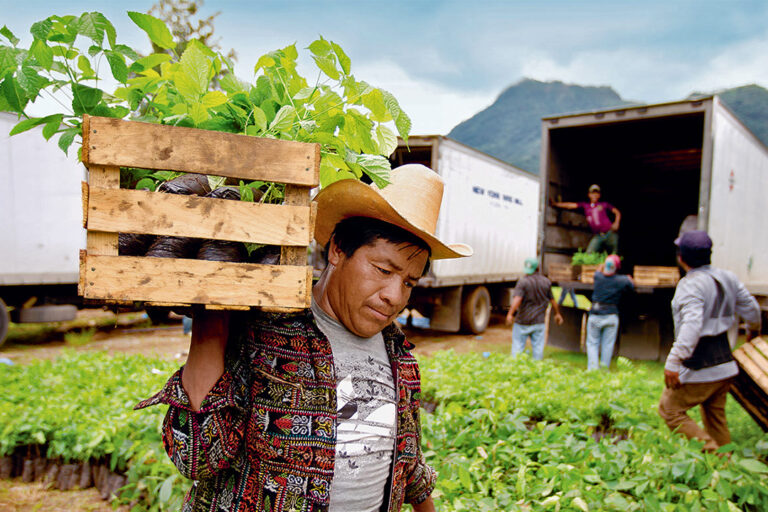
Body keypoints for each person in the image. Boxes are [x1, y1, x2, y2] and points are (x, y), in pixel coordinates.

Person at [136, 164, 473, 512]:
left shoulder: (398, 353)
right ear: (338, 250)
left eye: (409, 282)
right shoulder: (263, 327)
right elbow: (197, 457)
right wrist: (212, 316)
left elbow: (408, 463)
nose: (395, 296)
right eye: (383, 270)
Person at [658, 231, 761, 452]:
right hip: (725, 363)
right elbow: (751, 309)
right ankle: (725, 469)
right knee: (715, 418)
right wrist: (753, 330)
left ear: (681, 257)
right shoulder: (728, 278)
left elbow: (692, 325)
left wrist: (674, 360)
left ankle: (711, 450)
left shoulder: (690, 285)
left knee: (670, 410)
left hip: (700, 364)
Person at [506, 257, 564, 360]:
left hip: (522, 322)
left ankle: (515, 369)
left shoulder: (523, 282)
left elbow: (517, 299)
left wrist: (510, 314)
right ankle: (537, 369)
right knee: (538, 350)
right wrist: (557, 314)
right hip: (539, 322)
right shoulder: (546, 282)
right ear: (538, 268)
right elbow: (553, 301)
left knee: (517, 349)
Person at [585, 254, 633, 370]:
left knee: (592, 343)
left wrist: (602, 265)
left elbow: (598, 270)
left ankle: (593, 370)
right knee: (607, 345)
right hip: (611, 316)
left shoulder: (597, 277)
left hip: (595, 315)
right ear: (617, 268)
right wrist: (628, 278)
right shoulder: (622, 280)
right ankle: (604, 370)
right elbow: (631, 285)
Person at [550, 184, 621, 254]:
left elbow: (617, 212)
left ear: (599, 195)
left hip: (609, 233)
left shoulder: (604, 205)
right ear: (589, 195)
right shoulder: (585, 206)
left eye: (597, 193)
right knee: (589, 253)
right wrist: (556, 204)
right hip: (598, 236)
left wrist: (616, 223)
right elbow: (570, 205)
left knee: (615, 254)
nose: (595, 195)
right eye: (593, 193)